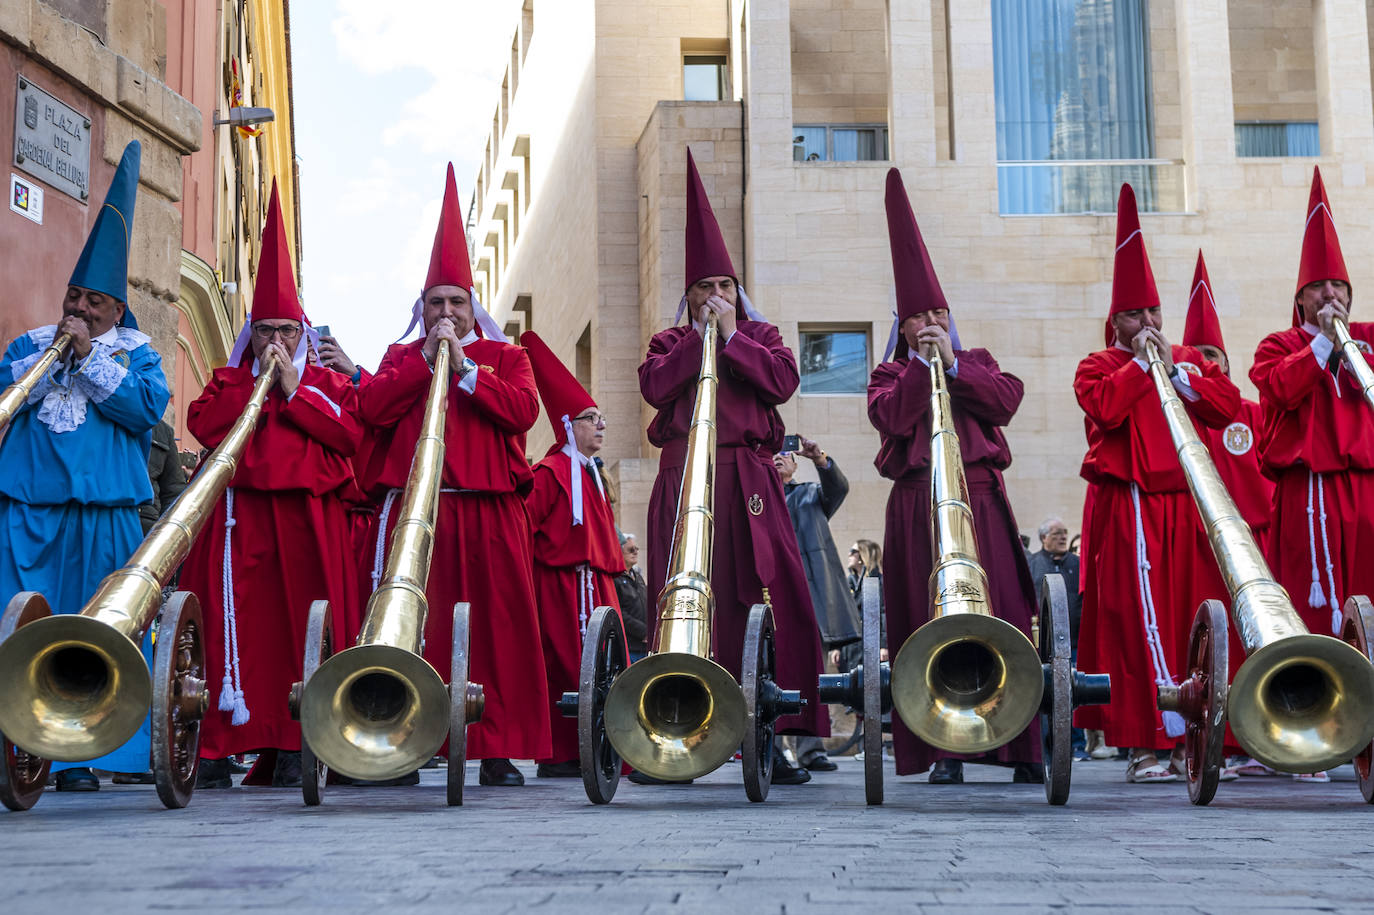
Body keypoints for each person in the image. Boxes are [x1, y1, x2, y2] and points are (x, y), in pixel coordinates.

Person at [356, 164, 550, 787]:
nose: (446, 312)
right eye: (436, 302)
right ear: (422, 306)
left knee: (499, 629)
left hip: (489, 509)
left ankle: (495, 748)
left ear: (473, 307)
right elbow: (371, 408)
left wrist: (467, 369)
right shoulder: (399, 356)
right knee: (416, 626)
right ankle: (406, 742)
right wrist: (422, 360)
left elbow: (524, 413)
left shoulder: (506, 357)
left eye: (457, 302)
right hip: (418, 514)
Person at [639, 148, 826, 787]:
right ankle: (674, 732)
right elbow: (656, 385)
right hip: (685, 476)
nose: (716, 297)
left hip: (747, 480)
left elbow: (781, 380)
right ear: (689, 297)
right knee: (684, 599)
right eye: (704, 290)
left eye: (725, 288)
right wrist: (700, 338)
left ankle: (770, 735)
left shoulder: (763, 336)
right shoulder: (671, 341)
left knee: (765, 593)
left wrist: (733, 337)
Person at [180, 184, 362, 790]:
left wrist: (291, 390)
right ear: (251, 335)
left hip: (306, 527)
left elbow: (349, 435)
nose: (276, 342)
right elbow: (201, 422)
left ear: (303, 333)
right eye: (265, 331)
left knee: (296, 633)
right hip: (235, 526)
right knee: (233, 633)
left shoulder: (325, 386)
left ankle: (294, 744)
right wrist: (253, 385)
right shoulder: (229, 379)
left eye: (287, 330)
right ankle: (211, 743)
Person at [0, 141, 169, 791]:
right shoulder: (28, 345)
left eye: (93, 302)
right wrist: (53, 361)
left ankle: (88, 757)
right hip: (29, 512)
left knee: (99, 633)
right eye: (73, 296)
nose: (77, 309)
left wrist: (91, 359)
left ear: (116, 310)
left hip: (102, 516)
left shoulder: (137, 356)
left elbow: (142, 410)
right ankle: (17, 739)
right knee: (19, 626)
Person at [868, 167, 1041, 785]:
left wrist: (954, 367)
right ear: (903, 326)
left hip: (981, 499)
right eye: (920, 317)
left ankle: (1022, 745)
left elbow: (1006, 401)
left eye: (939, 313)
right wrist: (920, 367)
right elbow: (890, 416)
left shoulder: (977, 361)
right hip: (917, 503)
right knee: (925, 616)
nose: (932, 324)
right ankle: (943, 747)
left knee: (1007, 615)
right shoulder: (889, 374)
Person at [1074, 184, 1240, 785]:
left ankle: (1188, 741)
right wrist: (1145, 364)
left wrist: (1179, 370)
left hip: (1185, 507)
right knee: (1130, 619)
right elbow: (1107, 409)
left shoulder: (1187, 359)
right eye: (1135, 316)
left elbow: (1227, 408)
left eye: (1153, 315)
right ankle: (1142, 743)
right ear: (1115, 320)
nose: (1148, 324)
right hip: (1131, 505)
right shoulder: (1099, 364)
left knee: (1185, 620)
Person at [1249, 169, 1374, 783]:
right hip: (1308, 497)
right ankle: (1311, 728)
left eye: (1339, 287)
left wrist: (1352, 346)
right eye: (1318, 288)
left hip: (1366, 489)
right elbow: (1277, 389)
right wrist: (1325, 346)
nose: (1331, 297)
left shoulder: (1372, 341)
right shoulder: (1279, 346)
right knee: (1309, 602)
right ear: (1300, 298)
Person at [520, 331, 625, 779]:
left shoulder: (592, 473)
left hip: (596, 584)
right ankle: (565, 752)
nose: (600, 425)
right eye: (589, 418)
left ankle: (608, 746)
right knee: (567, 663)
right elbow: (525, 529)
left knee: (606, 664)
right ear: (568, 425)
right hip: (562, 587)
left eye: (601, 418)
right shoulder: (549, 472)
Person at [1182, 251, 1274, 550]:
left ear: (1225, 364)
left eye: (1210, 353)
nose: (1202, 359)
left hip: (1254, 536)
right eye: (1194, 352)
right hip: (1197, 539)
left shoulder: (1252, 414)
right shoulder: (1176, 418)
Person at [775, 437, 856, 773]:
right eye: (772, 454)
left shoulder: (810, 494)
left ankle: (811, 748)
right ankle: (771, 745)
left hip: (810, 597)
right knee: (770, 669)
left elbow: (838, 489)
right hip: (773, 596)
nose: (779, 459)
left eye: (785, 454)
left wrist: (819, 458)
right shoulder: (756, 497)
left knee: (811, 669)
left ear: (794, 464)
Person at [139, 419, 187, 536]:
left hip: (147, 526)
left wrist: (163, 535)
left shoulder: (163, 431)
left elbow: (173, 492)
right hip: (105, 518)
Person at [614, 533, 650, 662]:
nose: (635, 552)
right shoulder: (615, 578)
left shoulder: (638, 576)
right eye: (630, 550)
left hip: (645, 645)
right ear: (619, 552)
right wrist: (642, 631)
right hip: (629, 646)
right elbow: (618, 612)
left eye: (636, 549)